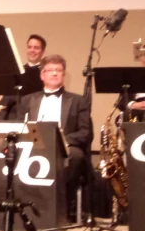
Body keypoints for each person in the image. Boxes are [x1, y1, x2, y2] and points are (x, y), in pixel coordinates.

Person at [12, 54, 92, 218]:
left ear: (63, 74)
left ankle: (62, 206)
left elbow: (85, 133)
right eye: (50, 70)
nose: (54, 73)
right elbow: (19, 126)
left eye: (58, 70)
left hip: (64, 149)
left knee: (76, 157)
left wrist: (60, 140)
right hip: (33, 147)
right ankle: (25, 206)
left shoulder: (78, 101)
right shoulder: (27, 100)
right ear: (42, 75)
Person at [0, 34, 47, 119]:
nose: (32, 50)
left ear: (42, 51)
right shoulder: (17, 71)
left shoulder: (46, 73)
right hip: (13, 113)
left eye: (36, 48)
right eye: (29, 47)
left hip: (33, 112)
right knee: (8, 97)